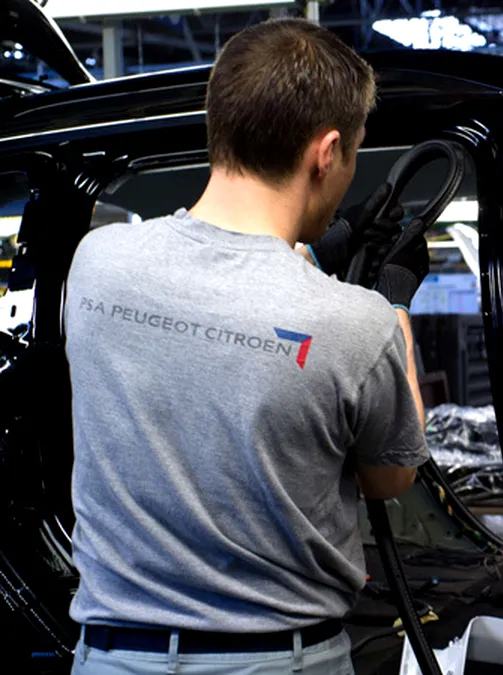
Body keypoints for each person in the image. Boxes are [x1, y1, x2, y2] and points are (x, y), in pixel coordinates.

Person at [63, 18, 430, 674]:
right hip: (279, 662)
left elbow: (223, 298)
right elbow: (390, 475)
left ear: (221, 123)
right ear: (327, 152)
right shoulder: (356, 324)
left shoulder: (97, 264)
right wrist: (395, 297)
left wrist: (323, 245)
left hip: (112, 659)